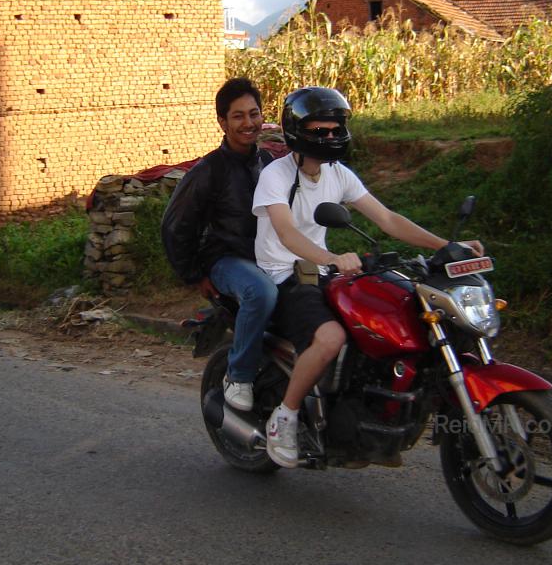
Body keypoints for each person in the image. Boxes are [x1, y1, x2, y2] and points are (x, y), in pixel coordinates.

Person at [252, 87, 484, 468]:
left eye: (334, 129)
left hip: (325, 271)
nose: (329, 137)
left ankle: (366, 412)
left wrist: (447, 246)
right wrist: (330, 257)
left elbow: (388, 219)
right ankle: (286, 415)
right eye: (320, 131)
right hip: (286, 275)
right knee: (331, 337)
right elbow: (287, 233)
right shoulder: (275, 176)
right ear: (299, 131)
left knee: (386, 318)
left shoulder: (338, 174)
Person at [161, 78, 277, 413]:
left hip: (268, 257)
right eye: (238, 116)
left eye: (253, 114)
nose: (248, 123)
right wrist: (194, 274)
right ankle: (238, 376)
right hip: (226, 260)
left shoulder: (268, 162)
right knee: (261, 293)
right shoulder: (209, 169)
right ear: (222, 123)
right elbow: (175, 225)